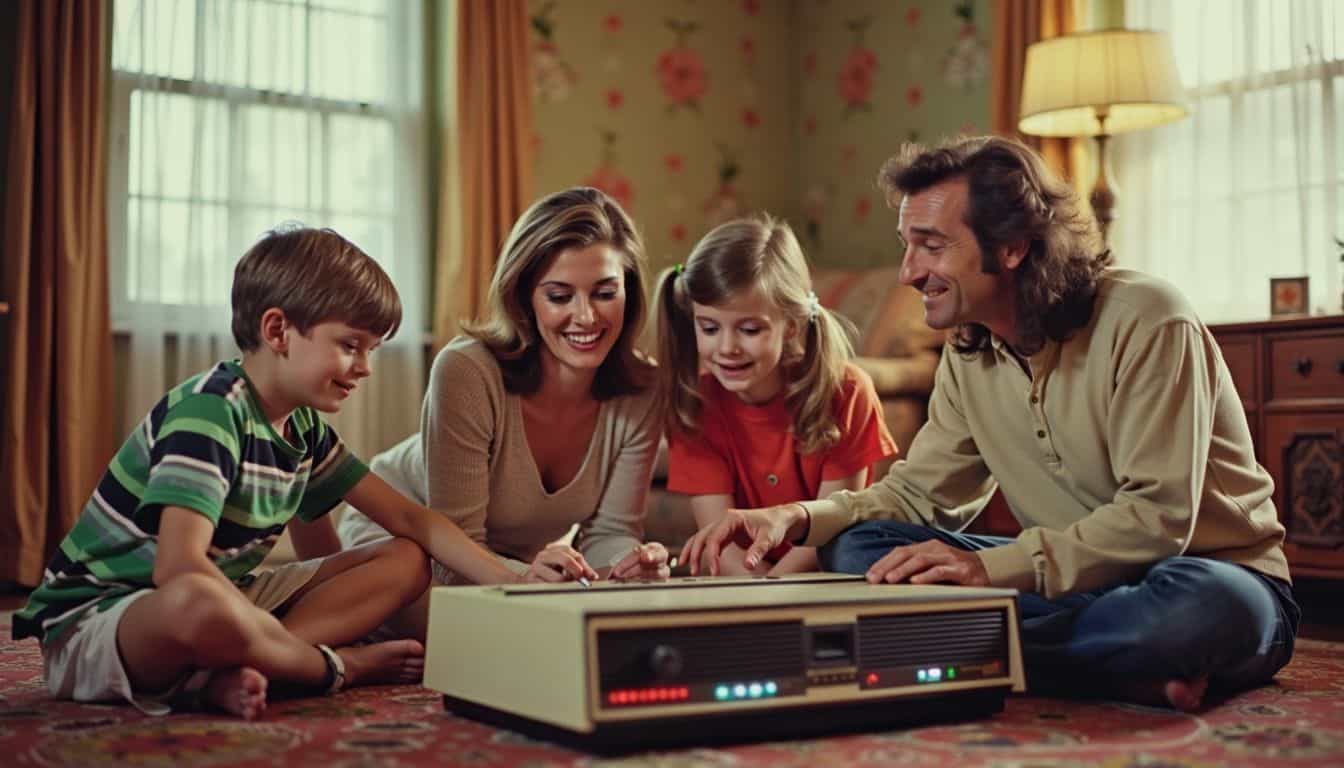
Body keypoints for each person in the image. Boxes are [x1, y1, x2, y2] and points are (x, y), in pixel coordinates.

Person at [680, 136, 1299, 712]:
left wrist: (987, 572)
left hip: (1209, 571)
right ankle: (1115, 663)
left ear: (1012, 246)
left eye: (931, 244)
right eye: (907, 245)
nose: (908, 272)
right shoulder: (968, 349)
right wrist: (799, 517)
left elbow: (1160, 520)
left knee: (1181, 617)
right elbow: (918, 496)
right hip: (1065, 584)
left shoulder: (1148, 321)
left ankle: (990, 650)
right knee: (855, 549)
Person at [10, 225, 553, 721]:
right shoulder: (211, 411)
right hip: (104, 619)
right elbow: (177, 570)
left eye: (372, 350)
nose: (364, 367)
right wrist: (327, 646)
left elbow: (411, 521)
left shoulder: (304, 431)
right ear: (278, 330)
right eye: (350, 345)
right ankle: (325, 667)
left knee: (407, 557)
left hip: (228, 600)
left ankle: (242, 670)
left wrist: (513, 580)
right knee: (201, 606)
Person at [338, 187, 670, 641]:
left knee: (606, 631)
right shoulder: (467, 371)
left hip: (512, 572)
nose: (586, 316)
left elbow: (612, 530)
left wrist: (629, 570)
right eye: (559, 296)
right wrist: (534, 582)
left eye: (604, 293)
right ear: (525, 301)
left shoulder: (643, 389)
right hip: (409, 552)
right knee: (518, 638)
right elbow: (456, 556)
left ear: (628, 294)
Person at [654, 215, 897, 576]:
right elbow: (721, 541)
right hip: (746, 581)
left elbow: (830, 528)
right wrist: (760, 592)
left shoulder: (846, 392)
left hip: (828, 567)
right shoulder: (695, 405)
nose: (727, 348)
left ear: (792, 326)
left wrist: (776, 588)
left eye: (749, 329)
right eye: (709, 327)